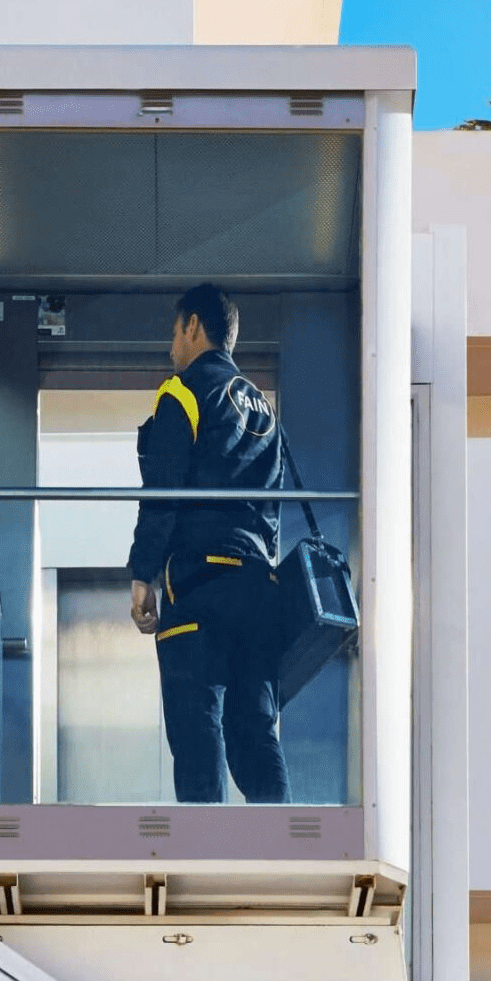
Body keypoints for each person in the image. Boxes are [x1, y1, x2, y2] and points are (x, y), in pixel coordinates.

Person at [127, 283, 291, 804]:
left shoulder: (182, 392)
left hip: (199, 587)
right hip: (258, 589)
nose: (172, 344)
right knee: (255, 735)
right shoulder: (263, 411)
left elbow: (164, 489)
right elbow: (274, 508)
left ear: (193, 326)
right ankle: (284, 850)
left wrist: (142, 575)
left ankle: (203, 864)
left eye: (175, 331)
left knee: (198, 735)